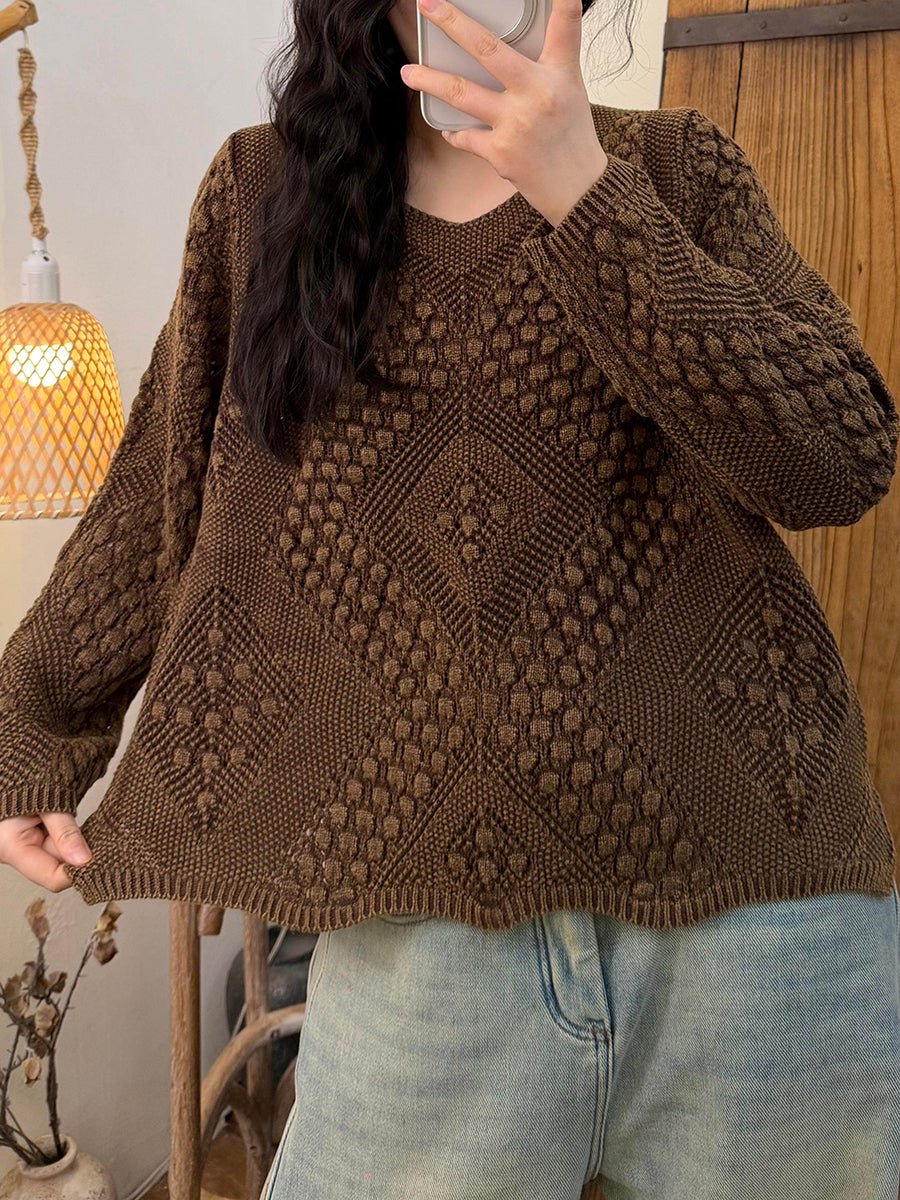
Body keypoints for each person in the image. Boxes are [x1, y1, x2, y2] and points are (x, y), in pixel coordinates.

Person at [1, 0, 899, 1194]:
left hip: (756, 919)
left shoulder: (679, 171)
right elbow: (159, 491)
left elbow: (841, 458)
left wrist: (587, 194)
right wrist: (32, 723)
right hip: (421, 934)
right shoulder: (262, 198)